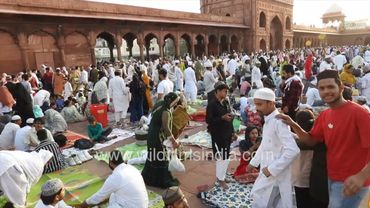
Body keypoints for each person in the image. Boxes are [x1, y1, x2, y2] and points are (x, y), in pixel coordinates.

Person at [277, 69, 370, 208]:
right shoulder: (325, 115)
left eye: (331, 87)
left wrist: (362, 176)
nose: (326, 91)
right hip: (332, 178)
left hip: (352, 182)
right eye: (322, 88)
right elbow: (310, 140)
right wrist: (292, 124)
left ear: (341, 87)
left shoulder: (359, 114)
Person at [247, 88, 300, 208]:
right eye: (256, 104)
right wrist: (253, 163)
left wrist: (272, 169)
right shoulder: (268, 121)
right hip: (267, 169)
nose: (257, 108)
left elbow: (293, 150)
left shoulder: (279, 121)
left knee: (266, 200)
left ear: (271, 103)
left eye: (260, 104)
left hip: (276, 171)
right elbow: (264, 145)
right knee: (262, 199)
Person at [81, 150, 149, 208]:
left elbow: (99, 196)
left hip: (133, 205)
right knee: (113, 194)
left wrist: (85, 203)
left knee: (109, 195)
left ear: (110, 162)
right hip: (144, 204)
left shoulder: (115, 177)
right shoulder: (132, 168)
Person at [141, 92, 181, 188]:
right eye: (175, 102)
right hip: (157, 136)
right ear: (171, 101)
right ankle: (161, 180)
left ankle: (149, 178)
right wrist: (173, 141)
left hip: (151, 133)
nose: (175, 104)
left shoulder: (160, 103)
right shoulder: (166, 112)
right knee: (162, 157)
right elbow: (166, 128)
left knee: (153, 155)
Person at [206, 82, 237, 189]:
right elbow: (208, 120)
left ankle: (222, 176)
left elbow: (229, 117)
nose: (226, 93)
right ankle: (220, 179)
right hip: (218, 135)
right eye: (224, 91)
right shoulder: (212, 104)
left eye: (227, 91)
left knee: (226, 156)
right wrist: (221, 118)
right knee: (221, 157)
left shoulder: (225, 102)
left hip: (227, 133)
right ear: (218, 91)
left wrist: (233, 132)